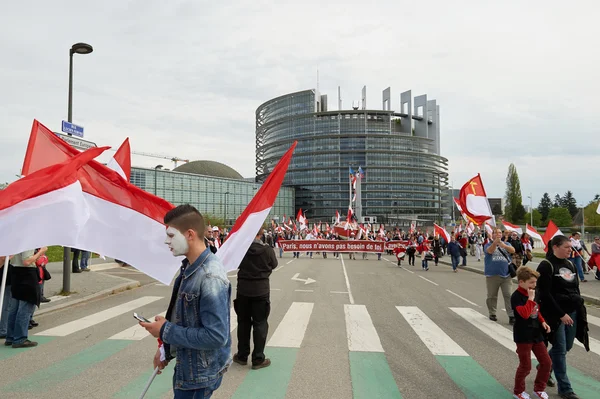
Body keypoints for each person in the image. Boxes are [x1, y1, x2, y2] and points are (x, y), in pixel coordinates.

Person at [140, 205, 231, 398]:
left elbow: (216, 336)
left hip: (197, 377)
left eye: (171, 235)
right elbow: (189, 320)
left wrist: (165, 330)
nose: (166, 241)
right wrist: (166, 348)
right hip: (189, 369)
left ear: (190, 234)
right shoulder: (190, 267)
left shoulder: (209, 276)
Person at [537, 235, 585, 399]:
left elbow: (575, 288)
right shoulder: (546, 265)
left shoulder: (570, 264)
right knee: (560, 350)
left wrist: (578, 308)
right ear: (555, 247)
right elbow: (545, 293)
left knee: (566, 347)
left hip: (571, 313)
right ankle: (565, 388)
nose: (570, 250)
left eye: (570, 247)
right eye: (567, 247)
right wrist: (561, 314)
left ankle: (544, 365)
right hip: (554, 315)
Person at [233, 229, 277, 370]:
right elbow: (274, 264)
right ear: (261, 234)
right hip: (261, 291)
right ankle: (258, 358)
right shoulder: (267, 250)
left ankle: (242, 355)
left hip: (243, 291)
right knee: (260, 324)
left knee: (243, 323)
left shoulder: (242, 250)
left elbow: (235, 264)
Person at [511, 266, 552, 399]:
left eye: (535, 282)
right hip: (523, 335)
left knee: (546, 362)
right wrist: (529, 299)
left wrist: (542, 321)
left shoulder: (534, 293)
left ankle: (539, 389)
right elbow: (524, 314)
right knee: (525, 366)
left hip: (536, 333)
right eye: (531, 282)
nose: (534, 285)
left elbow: (536, 310)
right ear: (521, 282)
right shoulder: (516, 296)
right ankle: (518, 391)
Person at [6, 247, 47, 348]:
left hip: (15, 271)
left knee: (15, 307)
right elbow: (26, 261)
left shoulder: (16, 240)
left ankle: (11, 336)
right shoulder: (28, 242)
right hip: (26, 274)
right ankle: (20, 338)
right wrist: (40, 252)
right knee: (25, 306)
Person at [484, 228, 516, 324]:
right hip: (492, 275)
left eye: (499, 233)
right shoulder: (488, 244)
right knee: (492, 296)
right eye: (495, 233)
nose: (498, 234)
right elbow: (489, 251)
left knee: (508, 295)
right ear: (492, 235)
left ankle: (511, 315)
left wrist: (503, 245)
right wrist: (495, 243)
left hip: (506, 275)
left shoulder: (507, 244)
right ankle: (492, 313)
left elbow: (513, 250)